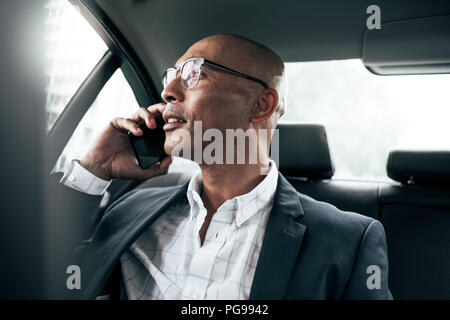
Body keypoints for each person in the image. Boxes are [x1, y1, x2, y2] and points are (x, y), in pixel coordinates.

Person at [59, 34, 392, 299]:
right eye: (171, 76)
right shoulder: (132, 211)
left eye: (193, 74)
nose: (167, 91)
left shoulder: (347, 241)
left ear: (262, 105)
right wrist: (94, 168)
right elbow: (44, 278)